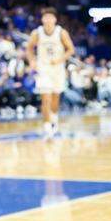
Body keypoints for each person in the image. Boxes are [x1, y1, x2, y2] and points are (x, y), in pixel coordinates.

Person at [26, 7, 73, 136]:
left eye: (50, 17)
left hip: (58, 68)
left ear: (55, 19)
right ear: (42, 19)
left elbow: (71, 49)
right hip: (44, 68)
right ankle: (47, 125)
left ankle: (54, 118)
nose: (47, 19)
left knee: (55, 97)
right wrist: (32, 61)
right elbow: (29, 48)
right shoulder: (37, 33)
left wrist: (60, 59)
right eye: (45, 17)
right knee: (45, 97)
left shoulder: (61, 32)